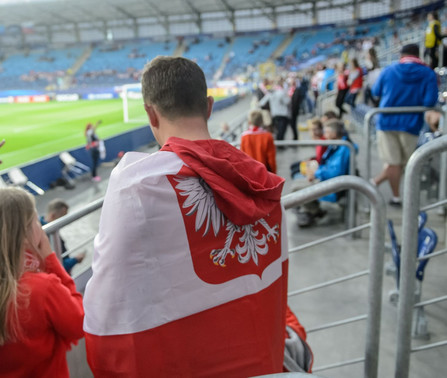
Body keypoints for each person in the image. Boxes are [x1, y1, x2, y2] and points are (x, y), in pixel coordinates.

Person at [83, 57, 289, 376]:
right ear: (209, 106)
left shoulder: (138, 186)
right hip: (263, 363)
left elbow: (110, 309)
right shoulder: (262, 183)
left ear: (151, 113)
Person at [0, 187, 84, 377]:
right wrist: (50, 258)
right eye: (35, 221)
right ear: (24, 233)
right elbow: (79, 324)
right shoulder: (42, 288)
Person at [371, 43, 438, 206]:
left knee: (393, 162)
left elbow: (375, 92)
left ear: (402, 55)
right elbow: (429, 101)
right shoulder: (427, 73)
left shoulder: (389, 70)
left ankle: (395, 196)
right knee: (406, 163)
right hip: (411, 124)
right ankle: (400, 192)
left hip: (387, 122)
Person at [294, 120, 356, 227]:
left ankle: (313, 211)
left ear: (334, 134)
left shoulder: (342, 149)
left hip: (335, 186)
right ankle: (311, 209)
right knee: (297, 182)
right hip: (328, 178)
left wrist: (316, 173)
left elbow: (334, 172)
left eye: (327, 132)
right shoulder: (337, 146)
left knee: (296, 188)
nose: (325, 135)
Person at [41, 198, 86, 273]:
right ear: (53, 216)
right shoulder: (47, 235)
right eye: (62, 218)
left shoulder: (45, 228)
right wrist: (75, 260)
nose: (65, 222)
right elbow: (57, 265)